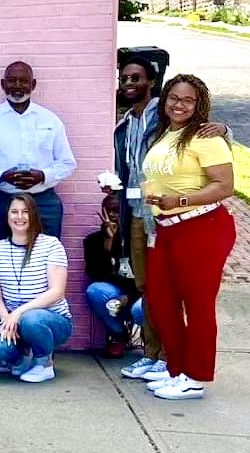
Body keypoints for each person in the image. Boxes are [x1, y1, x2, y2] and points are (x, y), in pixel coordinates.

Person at [113, 58, 227, 382]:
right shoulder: (140, 127)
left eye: (137, 77)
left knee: (193, 301)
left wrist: (224, 128)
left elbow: (223, 179)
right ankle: (163, 360)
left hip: (191, 222)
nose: (129, 82)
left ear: (152, 83)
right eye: (125, 77)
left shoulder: (191, 130)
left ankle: (186, 370)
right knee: (154, 293)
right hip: (150, 219)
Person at [140, 74, 235, 401]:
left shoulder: (206, 137)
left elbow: (224, 186)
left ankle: (195, 377)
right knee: (162, 303)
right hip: (167, 229)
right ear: (164, 100)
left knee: (198, 305)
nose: (179, 105)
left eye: (188, 100)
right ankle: (176, 370)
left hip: (201, 227)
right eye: (174, 98)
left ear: (199, 105)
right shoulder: (166, 133)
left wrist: (180, 201)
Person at [0, 61, 77, 237]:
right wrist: (2, 176)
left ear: (33, 84)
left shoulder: (50, 120)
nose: (17, 86)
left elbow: (67, 163)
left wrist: (42, 176)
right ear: (3, 84)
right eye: (12, 80)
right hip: (0, 200)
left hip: (43, 201)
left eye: (23, 81)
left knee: (47, 256)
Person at [0, 194, 73, 384]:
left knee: (31, 319)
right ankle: (20, 361)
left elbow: (57, 292)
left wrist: (19, 313)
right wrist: (7, 318)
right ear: (7, 216)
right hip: (13, 318)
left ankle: (44, 364)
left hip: (50, 320)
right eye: (14, 212)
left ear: (34, 216)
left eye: (26, 212)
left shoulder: (51, 245)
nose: (20, 217)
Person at [84, 192, 140, 359]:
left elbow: (147, 276)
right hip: (117, 292)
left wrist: (129, 295)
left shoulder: (136, 238)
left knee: (140, 308)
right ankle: (119, 334)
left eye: (117, 210)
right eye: (109, 210)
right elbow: (96, 274)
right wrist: (108, 242)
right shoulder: (93, 240)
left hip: (138, 292)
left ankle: (151, 342)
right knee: (94, 290)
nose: (114, 214)